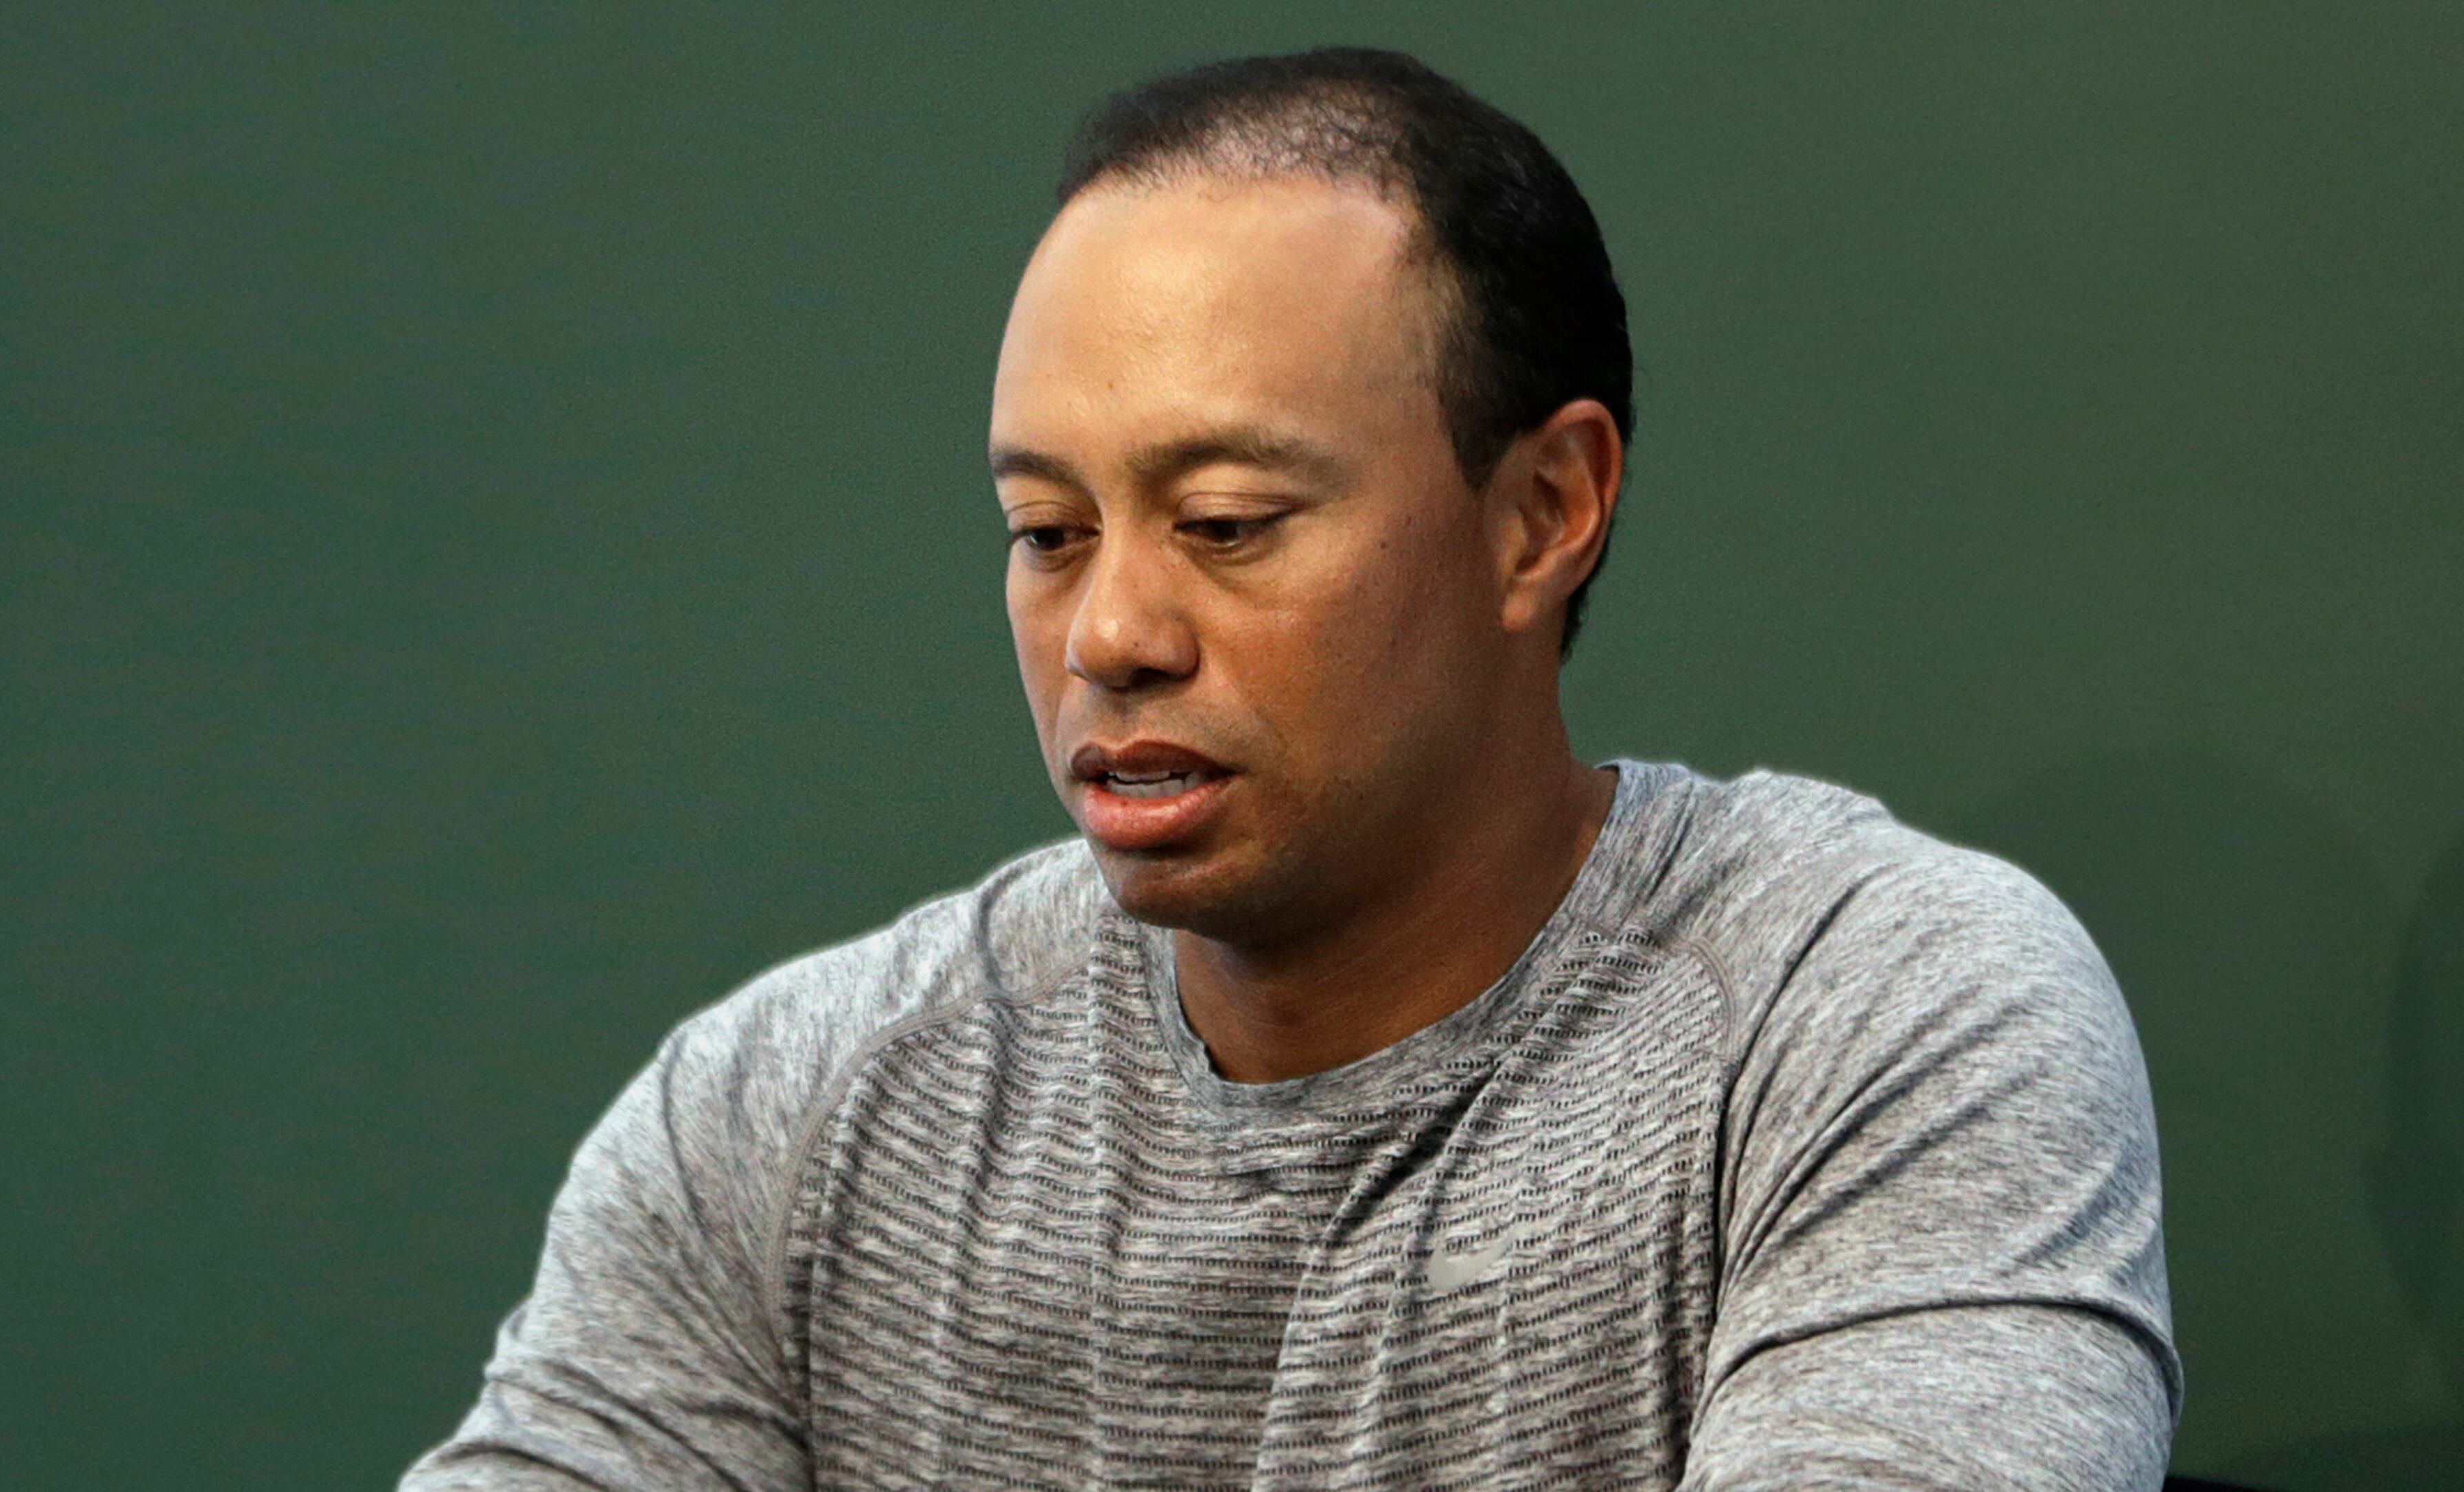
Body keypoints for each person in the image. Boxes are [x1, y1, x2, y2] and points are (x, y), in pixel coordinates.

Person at [402, 46, 2179, 1491]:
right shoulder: (785, 1116)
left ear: (1542, 513)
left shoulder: (1875, 1020)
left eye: (1229, 522)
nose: (1111, 632)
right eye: (1045, 531)